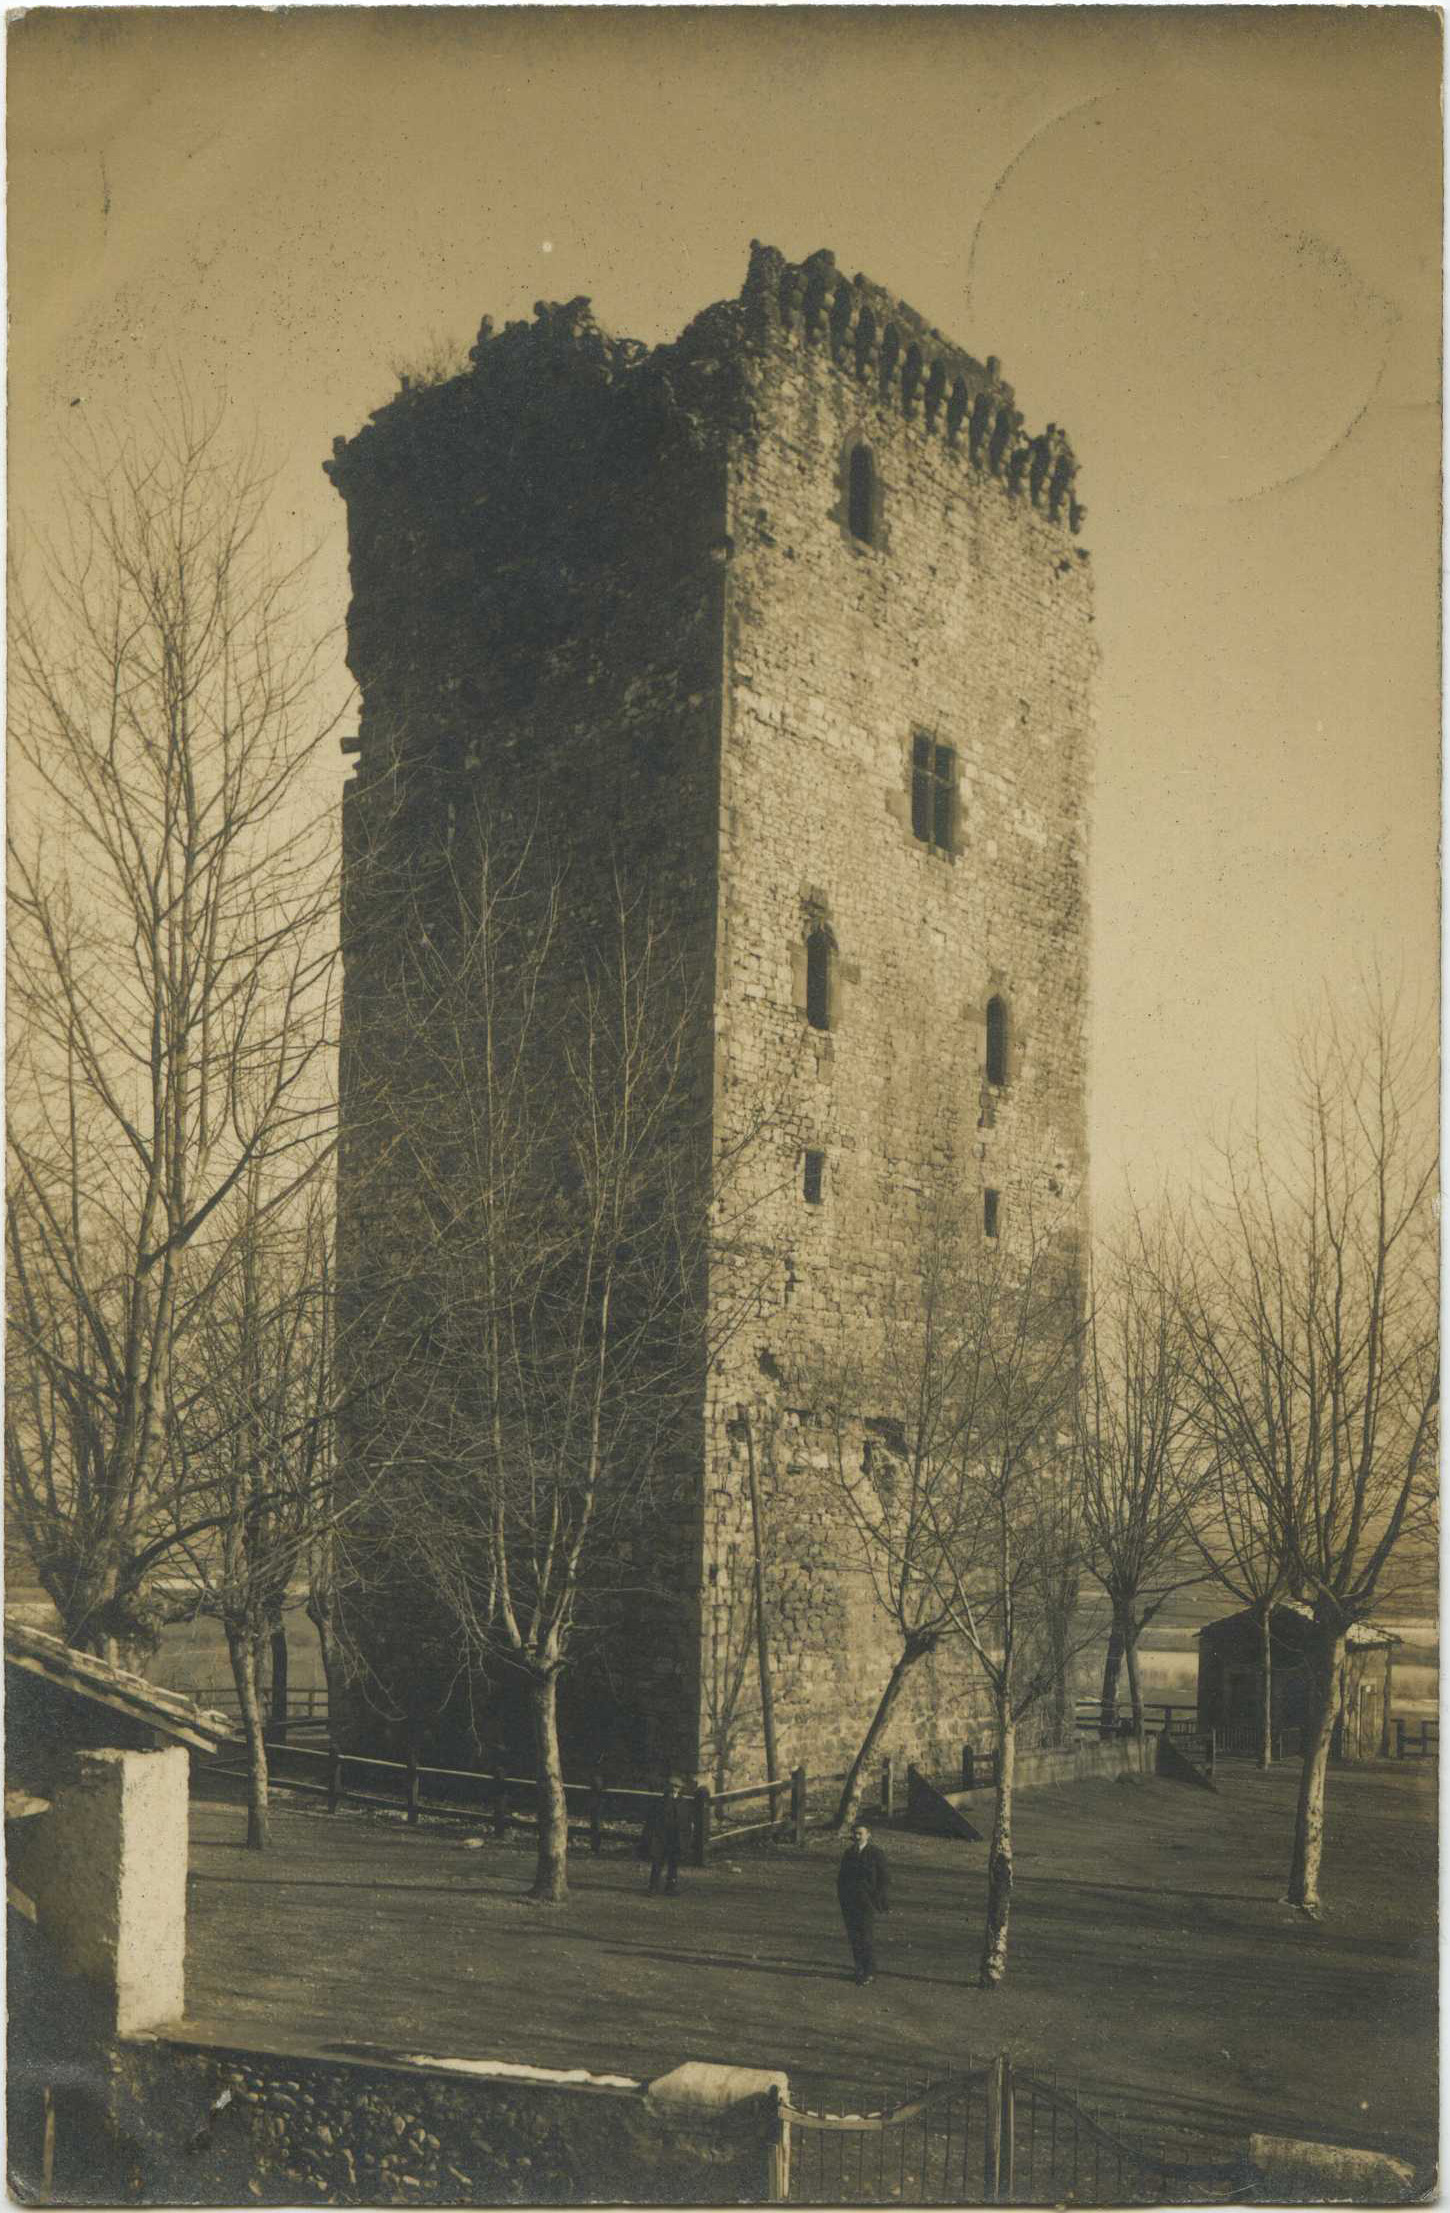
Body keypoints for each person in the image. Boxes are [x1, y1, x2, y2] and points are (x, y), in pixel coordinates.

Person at [837, 1819, 889, 1983]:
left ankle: (869, 1971)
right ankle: (858, 1968)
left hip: (867, 1901)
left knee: (866, 1936)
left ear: (868, 1835)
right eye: (855, 1833)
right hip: (850, 1901)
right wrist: (843, 1897)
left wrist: (876, 1898)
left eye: (860, 1833)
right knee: (854, 1936)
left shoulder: (876, 1853)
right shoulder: (848, 1853)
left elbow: (885, 1878)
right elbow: (841, 1878)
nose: (857, 1836)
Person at [643, 1775, 686, 1895]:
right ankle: (653, 1887)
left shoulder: (683, 1803)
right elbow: (653, 1820)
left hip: (675, 1837)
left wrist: (684, 1839)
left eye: (677, 1787)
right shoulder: (661, 1802)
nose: (674, 1789)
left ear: (680, 1789)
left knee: (673, 1863)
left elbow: (686, 1822)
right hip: (662, 1836)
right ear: (667, 1787)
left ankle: (670, 1887)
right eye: (672, 1786)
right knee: (657, 1862)